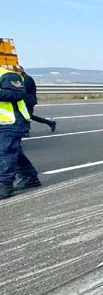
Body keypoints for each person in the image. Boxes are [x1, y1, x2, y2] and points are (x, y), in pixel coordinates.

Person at [0, 65, 40, 200]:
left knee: (5, 152)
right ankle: (30, 177)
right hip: (4, 122)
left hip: (12, 122)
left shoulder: (7, 76)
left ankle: (5, 185)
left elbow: (18, 93)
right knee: (14, 151)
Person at [20, 68, 57, 133]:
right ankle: (50, 122)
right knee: (27, 116)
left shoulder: (26, 78)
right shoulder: (23, 78)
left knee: (28, 116)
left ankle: (26, 130)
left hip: (29, 101)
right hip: (25, 100)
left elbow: (23, 89)